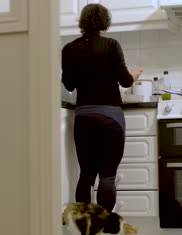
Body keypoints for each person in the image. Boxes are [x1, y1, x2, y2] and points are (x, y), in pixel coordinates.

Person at [61, 3, 143, 212]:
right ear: (105, 22)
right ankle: (104, 229)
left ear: (82, 22)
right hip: (110, 117)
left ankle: (85, 228)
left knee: (86, 173)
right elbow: (125, 81)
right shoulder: (111, 45)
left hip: (84, 117)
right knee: (107, 173)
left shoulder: (69, 48)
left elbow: (69, 84)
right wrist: (134, 75)